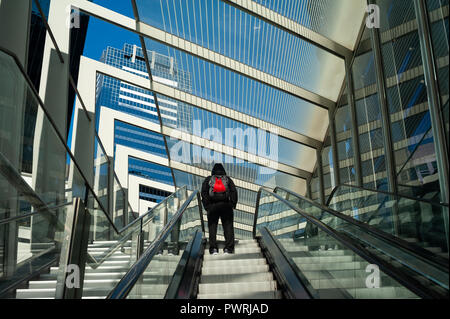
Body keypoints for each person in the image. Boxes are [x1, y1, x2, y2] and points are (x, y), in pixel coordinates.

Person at [201, 163, 238, 255]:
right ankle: (228, 249)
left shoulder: (208, 179)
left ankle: (213, 249)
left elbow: (204, 192)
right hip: (226, 206)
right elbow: (234, 191)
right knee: (228, 227)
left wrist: (207, 206)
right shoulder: (228, 179)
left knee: (212, 227)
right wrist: (232, 204)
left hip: (213, 206)